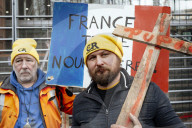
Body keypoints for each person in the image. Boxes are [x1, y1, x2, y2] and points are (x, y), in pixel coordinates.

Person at [72, 34, 186, 128]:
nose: (99, 62)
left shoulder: (149, 91)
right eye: (92, 58)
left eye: (105, 54)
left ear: (119, 58)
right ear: (87, 65)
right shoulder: (81, 101)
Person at [0, 38, 75, 128]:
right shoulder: (2, 90)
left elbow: (78, 108)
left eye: (29, 60)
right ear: (13, 65)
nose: (24, 66)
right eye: (18, 61)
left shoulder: (53, 87)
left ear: (36, 63)